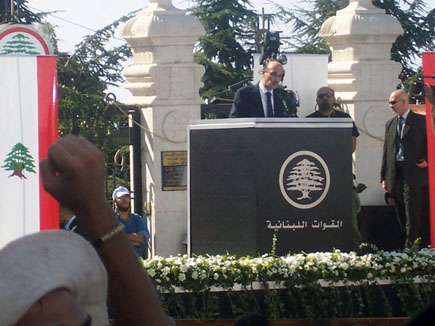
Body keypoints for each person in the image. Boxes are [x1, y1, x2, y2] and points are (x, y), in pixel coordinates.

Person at [0, 135, 171, 326]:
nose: (44, 297)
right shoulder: (95, 224)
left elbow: (142, 238)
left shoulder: (136, 219)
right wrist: (95, 210)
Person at [306, 86, 362, 247]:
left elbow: (352, 143)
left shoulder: (344, 118)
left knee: (349, 215)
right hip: (317, 175)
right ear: (317, 100)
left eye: (328, 95)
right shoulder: (309, 120)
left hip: (341, 172)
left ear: (334, 98)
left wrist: (336, 159)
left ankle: (356, 249)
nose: (325, 98)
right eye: (321, 96)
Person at [381, 89, 429, 248]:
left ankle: (412, 250)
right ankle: (407, 246)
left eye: (393, 102)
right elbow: (387, 151)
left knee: (413, 214)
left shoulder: (421, 121)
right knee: (400, 212)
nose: (391, 105)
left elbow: (432, 144)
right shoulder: (390, 124)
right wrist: (384, 176)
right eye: (389, 102)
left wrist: (428, 160)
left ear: (404, 101)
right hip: (396, 173)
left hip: (414, 173)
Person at [229, 60, 297, 118]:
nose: (277, 79)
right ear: (264, 73)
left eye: (280, 76)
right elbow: (234, 121)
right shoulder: (244, 94)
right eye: (273, 74)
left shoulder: (283, 95)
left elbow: (294, 119)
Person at [112, 186, 149, 257]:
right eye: (121, 197)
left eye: (126, 197)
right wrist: (134, 241)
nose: (124, 200)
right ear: (115, 200)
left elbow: (143, 237)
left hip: (137, 261)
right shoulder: (110, 219)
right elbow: (110, 241)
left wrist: (121, 238)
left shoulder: (137, 218)